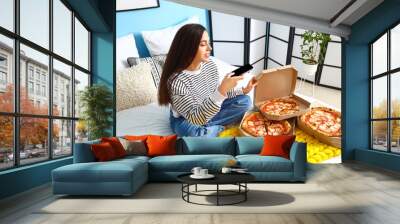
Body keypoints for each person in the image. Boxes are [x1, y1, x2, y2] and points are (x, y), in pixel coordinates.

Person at [158, 23, 258, 137]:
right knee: (193, 133)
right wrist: (221, 91)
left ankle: (208, 128)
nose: (210, 48)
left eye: (208, 43)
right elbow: (196, 118)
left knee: (245, 102)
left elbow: (215, 93)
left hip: (208, 108)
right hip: (189, 118)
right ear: (188, 48)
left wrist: (242, 90)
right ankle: (217, 128)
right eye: (203, 45)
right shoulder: (177, 82)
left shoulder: (209, 65)